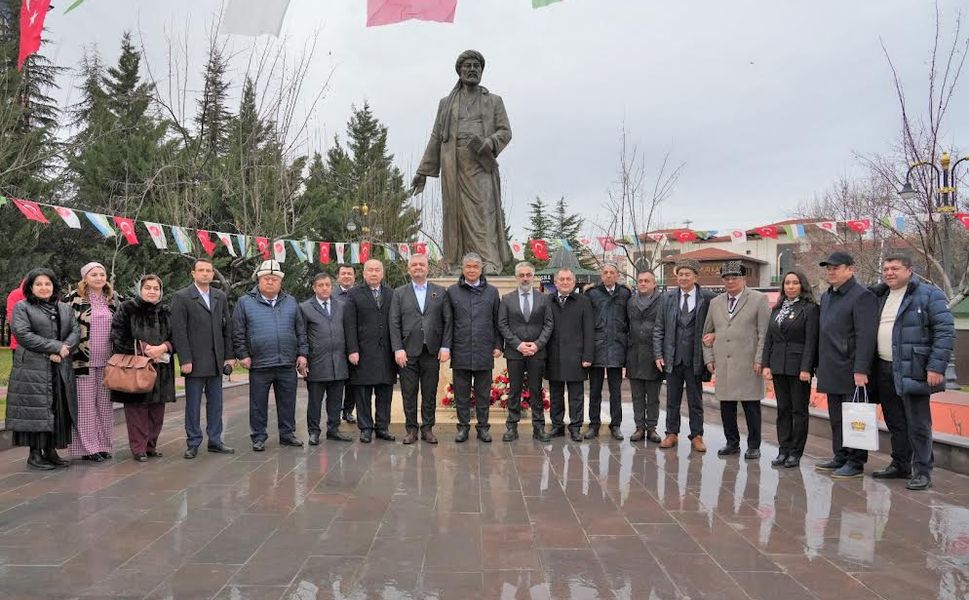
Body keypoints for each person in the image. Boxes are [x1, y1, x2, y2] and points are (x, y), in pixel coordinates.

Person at [412, 49, 513, 273]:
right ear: (459, 70)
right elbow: (437, 137)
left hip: (481, 165)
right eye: (467, 65)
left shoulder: (494, 101)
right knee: (456, 214)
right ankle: (458, 262)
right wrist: (422, 172)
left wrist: (491, 142)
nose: (472, 69)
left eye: (477, 66)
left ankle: (488, 262)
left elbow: (505, 131)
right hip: (454, 166)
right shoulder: (446, 104)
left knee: (483, 211)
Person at [869, 254, 954, 490]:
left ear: (909, 270)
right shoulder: (880, 295)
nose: (889, 273)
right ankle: (901, 464)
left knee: (918, 423)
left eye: (895, 268)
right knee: (894, 420)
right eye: (886, 269)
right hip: (883, 367)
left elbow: (945, 331)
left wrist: (936, 366)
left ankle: (923, 471)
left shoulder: (929, 294)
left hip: (914, 368)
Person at [6, 269, 79, 470]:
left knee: (56, 408)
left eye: (48, 284)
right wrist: (54, 347)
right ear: (30, 287)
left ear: (54, 286)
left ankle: (51, 451)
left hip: (59, 367)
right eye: (39, 284)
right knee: (37, 410)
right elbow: (22, 334)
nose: (44, 288)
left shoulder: (64, 308)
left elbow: (75, 331)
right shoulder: (23, 307)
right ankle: (35, 455)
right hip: (33, 369)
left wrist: (65, 349)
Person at [232, 260, 308, 451]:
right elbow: (238, 332)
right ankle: (258, 437)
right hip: (259, 363)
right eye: (266, 278)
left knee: (288, 401)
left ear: (280, 282)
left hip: (286, 362)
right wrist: (243, 354)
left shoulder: (291, 302)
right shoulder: (245, 302)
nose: (270, 282)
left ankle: (287, 434)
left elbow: (301, 330)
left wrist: (302, 354)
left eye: (274, 279)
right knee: (258, 404)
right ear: (259, 280)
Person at [814, 252, 878, 479]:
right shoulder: (827, 296)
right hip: (830, 366)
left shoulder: (862, 296)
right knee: (836, 418)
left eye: (836, 267)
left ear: (851, 269)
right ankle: (840, 455)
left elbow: (866, 336)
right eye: (828, 268)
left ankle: (856, 461)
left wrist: (861, 369)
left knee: (854, 416)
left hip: (851, 368)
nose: (830, 271)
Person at [702, 261, 771, 459]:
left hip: (749, 362)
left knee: (751, 406)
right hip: (724, 363)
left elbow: (764, 333)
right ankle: (732, 443)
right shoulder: (715, 302)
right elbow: (707, 333)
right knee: (727, 406)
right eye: (727, 278)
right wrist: (709, 359)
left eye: (735, 278)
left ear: (743, 279)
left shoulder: (758, 299)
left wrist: (760, 359)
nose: (730, 281)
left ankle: (754, 445)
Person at [171, 258, 235, 459]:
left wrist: (229, 356)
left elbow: (227, 327)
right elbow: (179, 331)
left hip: (216, 361)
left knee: (216, 404)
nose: (205, 273)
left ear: (213, 274)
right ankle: (193, 442)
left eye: (209, 270)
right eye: (201, 270)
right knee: (193, 405)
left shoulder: (220, 296)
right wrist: (185, 359)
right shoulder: (182, 297)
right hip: (194, 362)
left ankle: (215, 440)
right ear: (193, 273)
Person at [110, 274, 176, 462]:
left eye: (156, 288)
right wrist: (144, 348)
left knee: (157, 412)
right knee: (137, 411)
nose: (152, 291)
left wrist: (164, 347)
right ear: (141, 289)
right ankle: (139, 448)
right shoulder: (127, 308)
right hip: (135, 369)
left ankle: (151, 446)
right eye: (148, 288)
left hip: (161, 369)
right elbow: (117, 335)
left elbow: (177, 337)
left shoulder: (166, 311)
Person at [653, 259, 716, 452]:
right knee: (672, 399)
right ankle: (671, 433)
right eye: (680, 274)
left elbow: (718, 324)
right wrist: (658, 354)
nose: (683, 278)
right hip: (672, 357)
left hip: (695, 357)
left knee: (695, 400)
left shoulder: (708, 297)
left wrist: (715, 335)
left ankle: (696, 435)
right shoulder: (667, 298)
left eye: (687, 274)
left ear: (696, 277)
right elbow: (658, 328)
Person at [390, 253, 452, 445]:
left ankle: (428, 429)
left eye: (422, 264)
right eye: (414, 265)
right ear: (409, 269)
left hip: (431, 351)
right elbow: (394, 322)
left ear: (427, 268)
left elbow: (447, 321)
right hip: (407, 352)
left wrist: (445, 346)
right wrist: (397, 349)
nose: (418, 267)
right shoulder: (399, 293)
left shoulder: (440, 292)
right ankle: (411, 430)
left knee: (429, 392)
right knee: (408, 393)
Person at [762, 270, 819, 468]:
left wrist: (806, 368)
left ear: (802, 285)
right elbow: (769, 338)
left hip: (798, 367)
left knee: (799, 411)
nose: (791, 286)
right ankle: (783, 449)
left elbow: (811, 341)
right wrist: (766, 364)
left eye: (795, 283)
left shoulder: (810, 309)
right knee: (783, 410)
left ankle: (796, 452)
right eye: (787, 283)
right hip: (778, 365)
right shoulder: (777, 308)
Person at [65, 262, 120, 462]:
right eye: (94, 274)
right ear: (85, 278)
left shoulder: (114, 299)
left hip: (109, 362)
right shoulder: (73, 300)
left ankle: (104, 445)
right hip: (81, 361)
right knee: (85, 406)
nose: (99, 277)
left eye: (102, 274)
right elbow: (65, 328)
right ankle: (89, 448)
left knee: (105, 406)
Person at [446, 252, 502, 442]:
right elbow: (448, 323)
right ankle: (462, 428)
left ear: (481, 269)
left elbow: (497, 321)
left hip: (483, 351)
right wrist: (447, 347)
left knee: (483, 395)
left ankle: (483, 428)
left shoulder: (492, 292)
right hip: (460, 350)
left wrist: (497, 345)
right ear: (463, 269)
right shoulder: (452, 291)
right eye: (468, 267)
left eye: (475, 267)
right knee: (461, 395)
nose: (471, 270)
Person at [497, 261, 554, 442]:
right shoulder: (506, 299)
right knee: (514, 391)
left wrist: (537, 344)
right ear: (516, 277)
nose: (525, 278)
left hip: (537, 353)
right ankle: (512, 428)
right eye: (521, 275)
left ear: (533, 277)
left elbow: (548, 324)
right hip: (515, 353)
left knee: (536, 391)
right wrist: (517, 344)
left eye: (528, 275)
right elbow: (502, 324)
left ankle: (539, 428)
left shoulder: (544, 298)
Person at [344, 259, 397, 443]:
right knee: (363, 393)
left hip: (386, 354)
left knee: (385, 392)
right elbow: (349, 324)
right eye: (370, 270)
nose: (374, 273)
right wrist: (352, 349)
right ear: (364, 273)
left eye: (377, 270)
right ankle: (365, 428)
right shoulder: (353, 294)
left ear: (382, 273)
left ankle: (382, 427)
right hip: (363, 353)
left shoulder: (392, 294)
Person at [299, 273, 353, 444]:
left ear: (332, 287)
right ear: (314, 287)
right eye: (320, 285)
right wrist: (303, 356)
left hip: (338, 362)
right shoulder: (305, 307)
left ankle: (333, 429)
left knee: (336, 400)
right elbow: (301, 334)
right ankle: (313, 431)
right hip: (316, 362)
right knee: (315, 401)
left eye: (327, 285)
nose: (324, 288)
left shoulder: (341, 306)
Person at [545, 268, 594, 442]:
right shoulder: (547, 300)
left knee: (576, 395)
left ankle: (575, 427)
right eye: (562, 279)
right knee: (556, 393)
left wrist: (588, 355)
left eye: (568, 279)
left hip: (576, 356)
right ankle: (557, 426)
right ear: (555, 282)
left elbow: (589, 330)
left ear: (573, 283)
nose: (565, 282)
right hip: (554, 355)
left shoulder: (583, 301)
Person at [584, 262, 632, 440]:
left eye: (612, 272)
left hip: (617, 347)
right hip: (597, 347)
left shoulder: (625, 293)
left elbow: (629, 320)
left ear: (617, 275)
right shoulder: (592, 293)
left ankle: (616, 425)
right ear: (601, 275)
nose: (609, 275)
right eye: (605, 272)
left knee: (615, 390)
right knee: (594, 390)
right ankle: (594, 424)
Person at [626, 270, 664, 444]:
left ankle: (652, 427)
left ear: (654, 283)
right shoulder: (631, 301)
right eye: (640, 281)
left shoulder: (663, 301)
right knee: (637, 395)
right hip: (634, 353)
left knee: (653, 396)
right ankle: (639, 427)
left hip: (653, 354)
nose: (642, 284)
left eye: (646, 281)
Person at [333, 264, 357, 424]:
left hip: (355, 345)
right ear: (338, 276)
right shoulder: (331, 295)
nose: (347, 276)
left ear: (354, 277)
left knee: (353, 381)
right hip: (337, 345)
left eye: (350, 273)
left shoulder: (359, 293)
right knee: (336, 382)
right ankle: (334, 412)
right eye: (344, 273)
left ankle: (348, 410)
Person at [5, 278, 25, 352]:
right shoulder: (15, 294)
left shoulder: (48, 294)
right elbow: (13, 320)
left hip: (45, 345)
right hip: (20, 344)